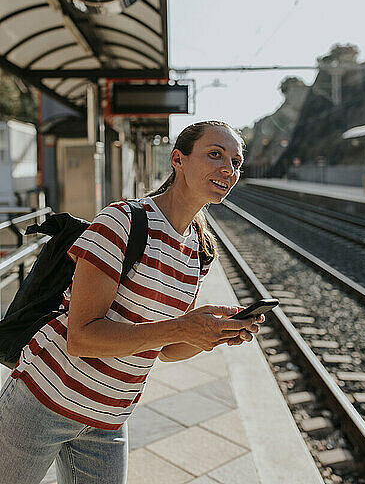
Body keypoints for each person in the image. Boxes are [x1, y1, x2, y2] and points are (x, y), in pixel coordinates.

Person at [0, 120, 263, 484]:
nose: (227, 168)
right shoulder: (123, 221)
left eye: (235, 161)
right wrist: (182, 326)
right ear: (178, 160)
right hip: (44, 400)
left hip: (109, 418)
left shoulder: (200, 251)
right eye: (215, 155)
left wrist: (206, 336)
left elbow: (165, 349)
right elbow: (82, 337)